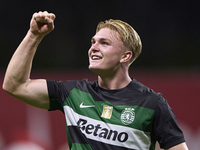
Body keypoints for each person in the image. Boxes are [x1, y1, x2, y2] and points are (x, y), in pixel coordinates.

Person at [3, 11, 188, 150]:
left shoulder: (152, 103)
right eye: (93, 42)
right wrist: (34, 35)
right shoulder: (72, 93)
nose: (93, 48)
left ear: (125, 56)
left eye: (104, 43)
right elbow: (14, 85)